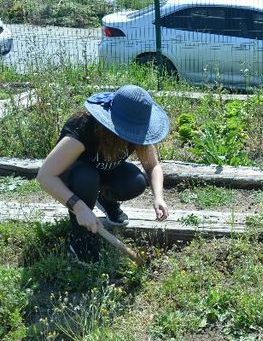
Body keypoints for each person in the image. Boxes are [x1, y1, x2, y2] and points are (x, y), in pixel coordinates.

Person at [37, 85, 170, 263]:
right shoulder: (83, 129)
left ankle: (106, 200)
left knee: (136, 182)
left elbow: (153, 165)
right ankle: (80, 237)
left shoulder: (137, 131)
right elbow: (45, 176)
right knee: (87, 178)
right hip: (75, 178)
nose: (133, 136)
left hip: (104, 171)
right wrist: (79, 207)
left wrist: (159, 196)